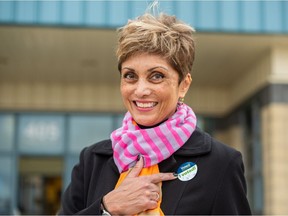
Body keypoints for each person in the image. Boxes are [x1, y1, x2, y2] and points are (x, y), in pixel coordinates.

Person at [59, 10, 252, 216]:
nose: (141, 90)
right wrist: (107, 208)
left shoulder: (220, 163)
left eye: (156, 76)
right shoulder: (93, 160)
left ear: (183, 85)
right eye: (130, 75)